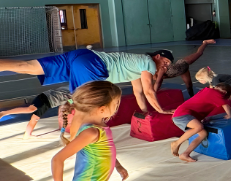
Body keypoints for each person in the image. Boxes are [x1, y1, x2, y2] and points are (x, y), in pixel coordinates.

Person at [0, 48, 174, 113]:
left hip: (81, 55)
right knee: (86, 103)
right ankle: (78, 135)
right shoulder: (149, 63)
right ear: (157, 56)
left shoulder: (137, 66)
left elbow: (139, 92)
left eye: (167, 66)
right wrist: (161, 111)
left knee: (27, 66)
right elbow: (149, 91)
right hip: (93, 64)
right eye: (165, 63)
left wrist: (145, 112)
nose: (164, 67)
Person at [171, 82, 231, 162]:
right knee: (198, 127)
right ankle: (176, 143)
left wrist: (201, 119)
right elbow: (226, 105)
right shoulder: (215, 93)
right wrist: (229, 115)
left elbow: (200, 104)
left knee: (203, 134)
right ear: (224, 92)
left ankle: (185, 154)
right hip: (182, 114)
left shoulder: (208, 91)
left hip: (184, 115)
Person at [0, 88, 71, 138]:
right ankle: (4, 113)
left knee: (34, 118)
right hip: (45, 98)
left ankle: (27, 135)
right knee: (30, 109)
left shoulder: (71, 96)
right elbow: (71, 102)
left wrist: (60, 125)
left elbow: (63, 107)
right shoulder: (72, 94)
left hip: (48, 102)